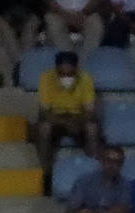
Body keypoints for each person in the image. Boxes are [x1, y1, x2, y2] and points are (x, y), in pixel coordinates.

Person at [35, 50, 100, 184]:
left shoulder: (85, 78)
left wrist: (76, 121)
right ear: (56, 69)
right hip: (55, 118)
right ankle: (45, 174)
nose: (66, 77)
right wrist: (65, 123)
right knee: (44, 128)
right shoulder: (47, 78)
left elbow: (89, 111)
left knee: (92, 128)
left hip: (78, 118)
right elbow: (44, 111)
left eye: (69, 74)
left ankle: (93, 173)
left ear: (76, 69)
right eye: (62, 73)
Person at [0, 0, 43, 84]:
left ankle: (23, 68)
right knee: (3, 27)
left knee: (30, 29)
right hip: (5, 15)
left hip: (30, 14)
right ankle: (21, 68)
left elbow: (39, 8)